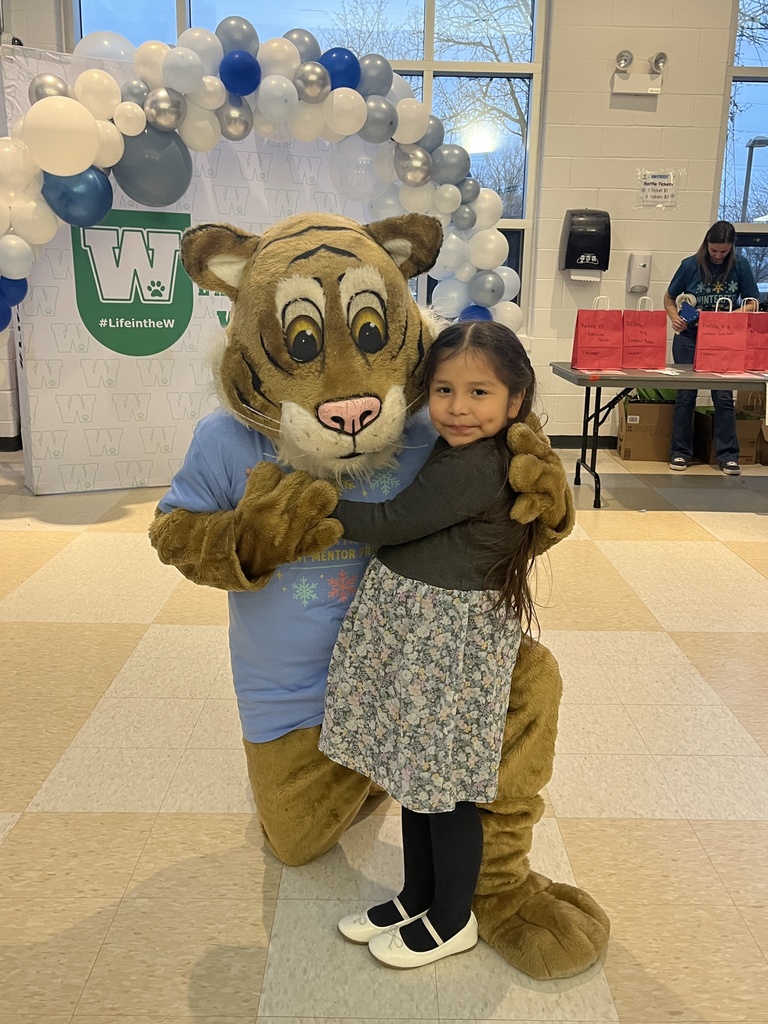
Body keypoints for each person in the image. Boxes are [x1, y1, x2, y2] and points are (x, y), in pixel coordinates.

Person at [316, 320, 544, 969]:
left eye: (479, 392)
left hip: (445, 642)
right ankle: (418, 894)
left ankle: (452, 917)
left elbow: (393, 522)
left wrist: (314, 500)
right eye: (444, 389)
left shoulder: (478, 464)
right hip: (420, 635)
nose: (458, 407)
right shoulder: (458, 450)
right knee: (417, 777)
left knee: (442, 789)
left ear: (516, 399)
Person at [663, 220, 759, 475]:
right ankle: (680, 452)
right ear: (706, 245)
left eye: (723, 252)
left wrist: (737, 313)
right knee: (685, 395)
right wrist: (674, 317)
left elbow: (753, 301)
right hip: (689, 336)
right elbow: (669, 297)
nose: (717, 256)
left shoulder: (741, 266)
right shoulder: (689, 265)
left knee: (723, 396)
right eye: (714, 250)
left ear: (731, 249)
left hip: (722, 338)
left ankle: (728, 455)